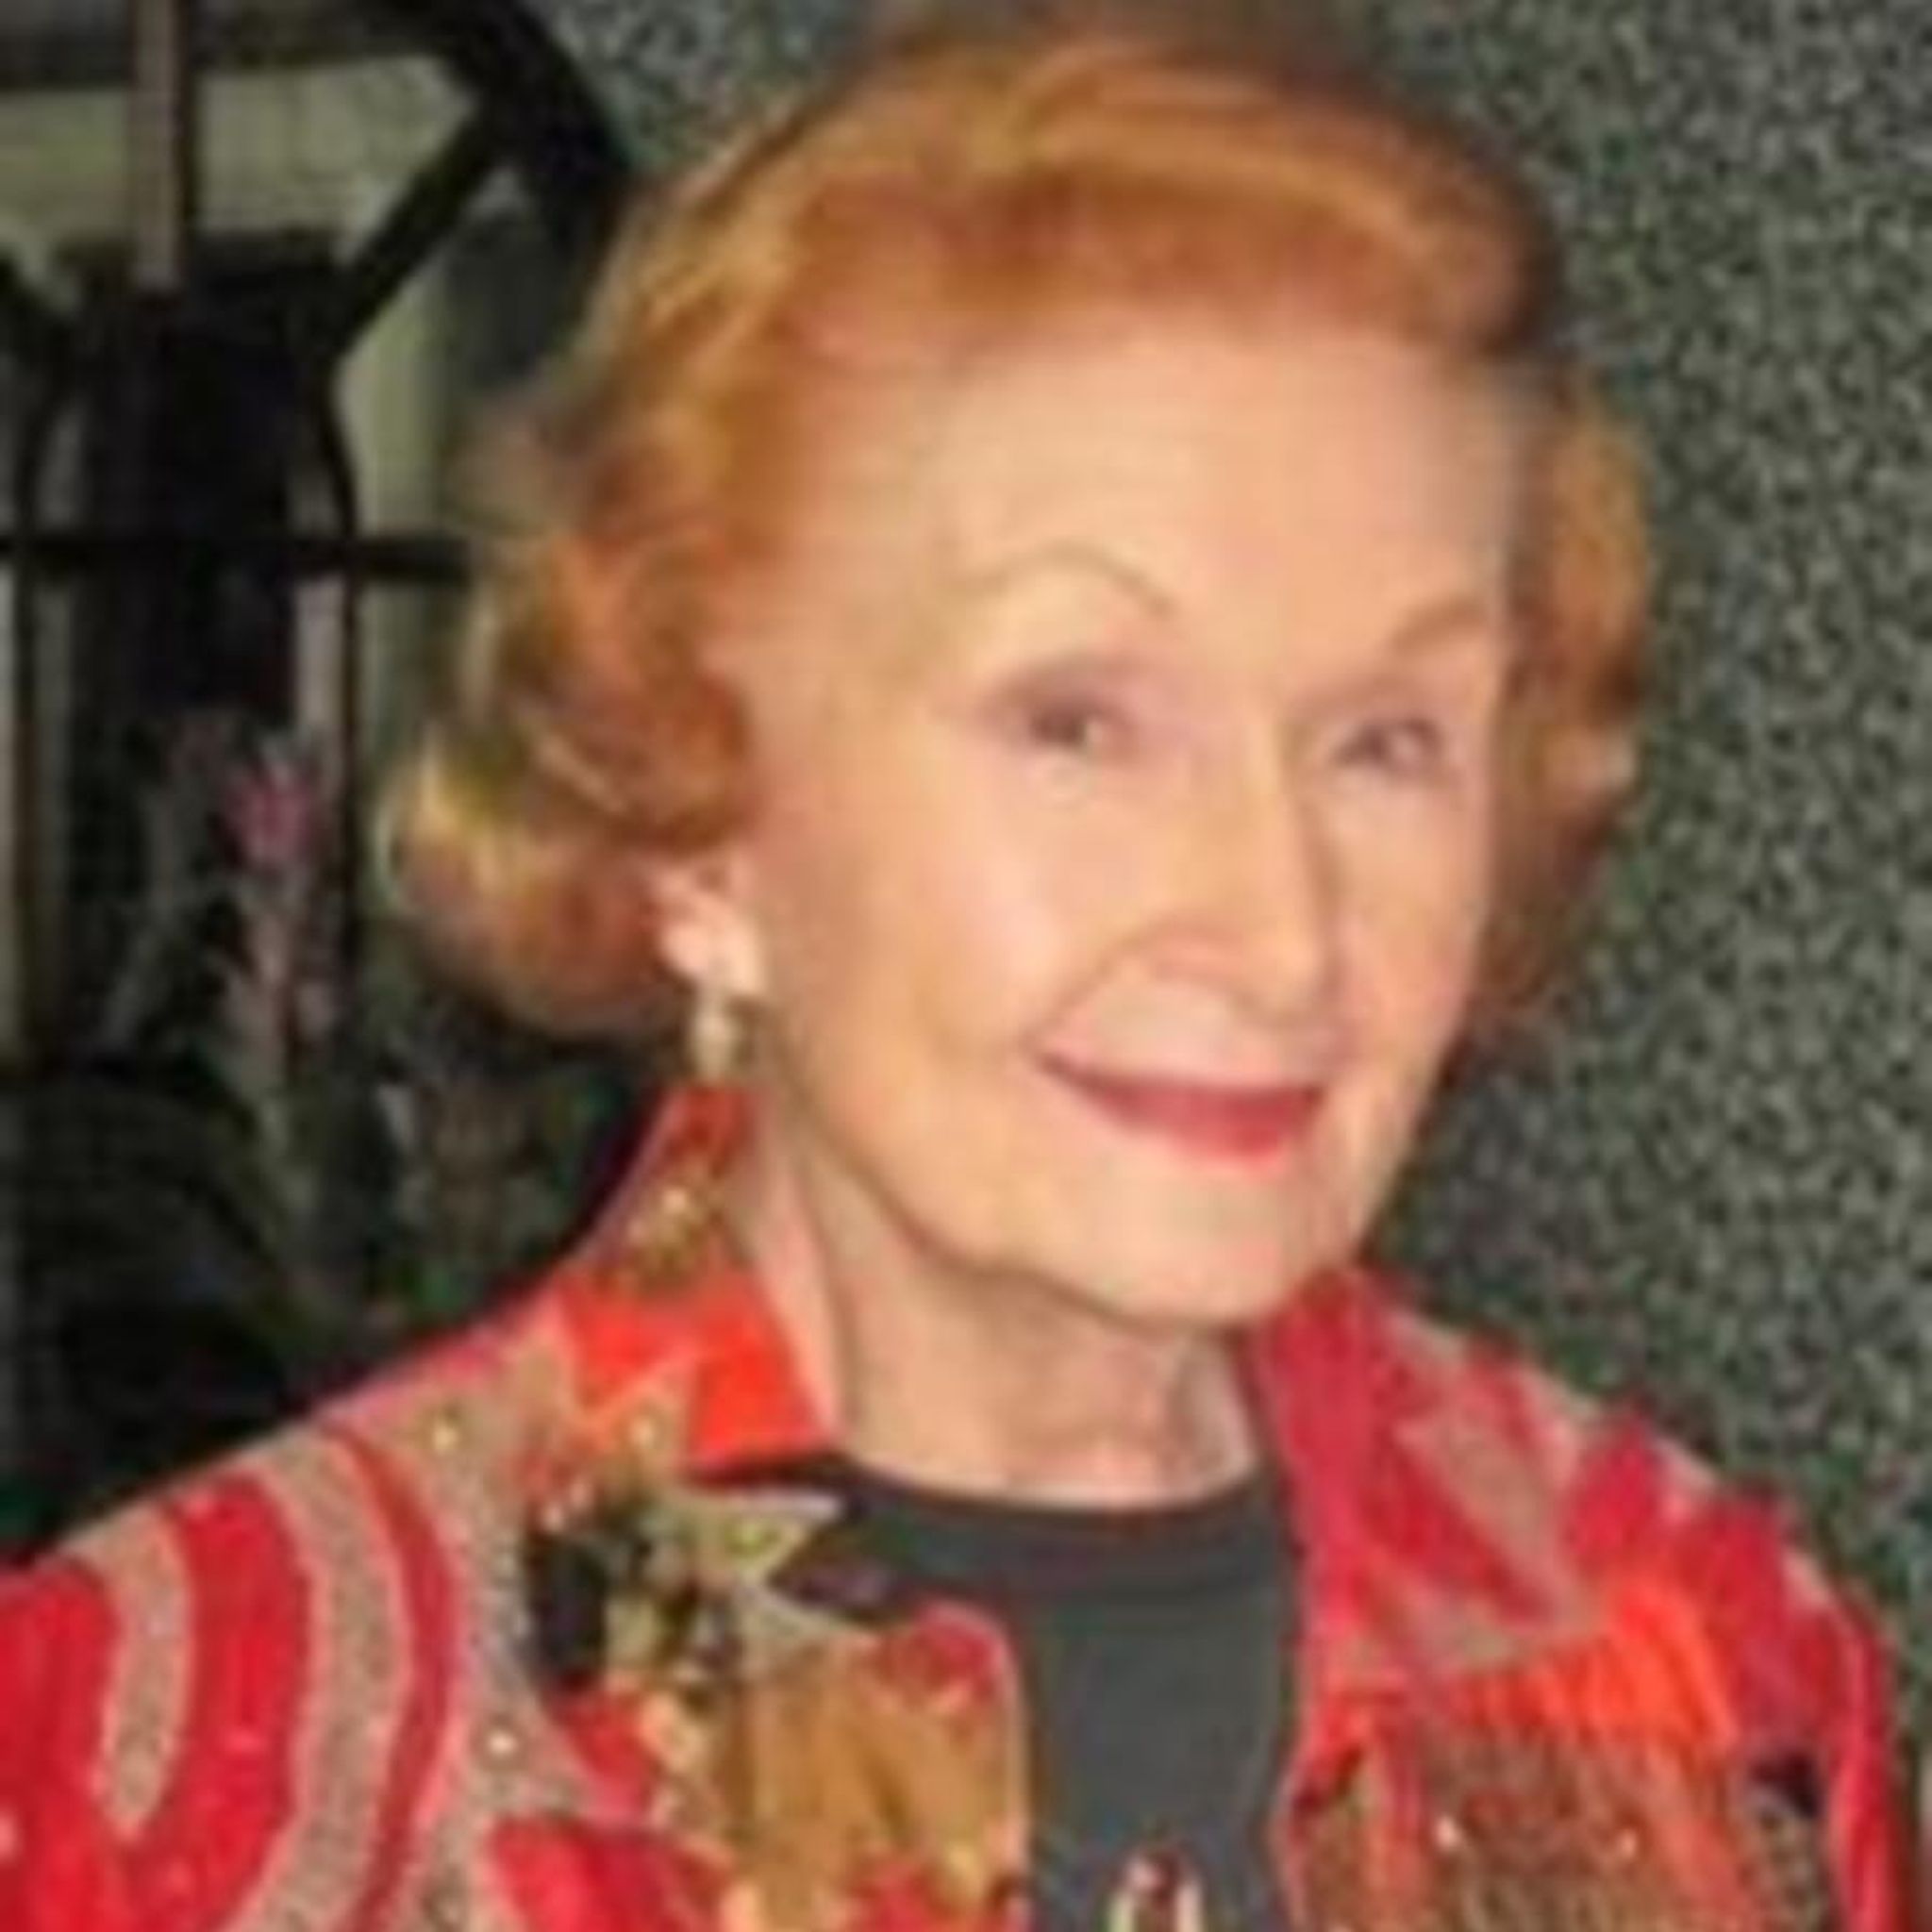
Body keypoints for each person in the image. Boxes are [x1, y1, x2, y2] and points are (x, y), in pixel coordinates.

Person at [0, 11, 1914, 1931]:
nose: (1278, 927)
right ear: (698, 813)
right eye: (1077, 721)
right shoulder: (191, 1775)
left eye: (1386, 740)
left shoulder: (1712, 1660)